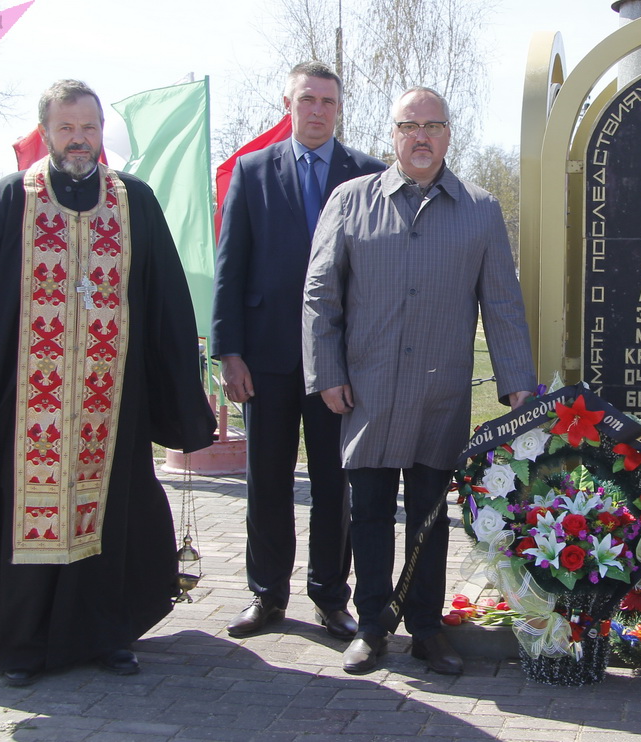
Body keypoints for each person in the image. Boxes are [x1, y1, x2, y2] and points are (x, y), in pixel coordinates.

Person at [0, 80, 215, 687]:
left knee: (109, 519)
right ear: (47, 132)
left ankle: (107, 635)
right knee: (25, 525)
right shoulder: (11, 199)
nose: (79, 140)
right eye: (67, 128)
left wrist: (177, 398)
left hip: (114, 405)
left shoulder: (132, 201)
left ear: (100, 132)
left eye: (89, 128)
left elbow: (165, 304)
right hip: (29, 406)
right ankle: (22, 644)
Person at [302, 86, 535, 676]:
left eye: (433, 125)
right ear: (394, 134)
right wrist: (326, 372)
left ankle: (428, 629)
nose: (422, 136)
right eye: (410, 125)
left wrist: (518, 388)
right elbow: (320, 294)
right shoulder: (352, 201)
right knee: (372, 512)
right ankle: (373, 626)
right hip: (369, 392)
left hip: (442, 396)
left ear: (450, 135)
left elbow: (502, 305)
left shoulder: (479, 209)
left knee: (431, 515)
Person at [212, 61, 385, 641]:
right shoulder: (253, 172)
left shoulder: (368, 175)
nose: (317, 111)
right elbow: (229, 269)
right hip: (266, 359)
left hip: (340, 360)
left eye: (328, 102)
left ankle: (331, 597)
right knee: (267, 479)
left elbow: (381, 275)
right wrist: (228, 351)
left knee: (336, 482)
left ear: (339, 109)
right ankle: (267, 595)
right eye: (307, 99)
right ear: (288, 103)